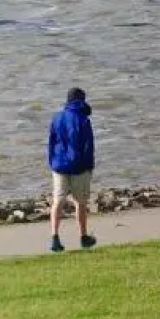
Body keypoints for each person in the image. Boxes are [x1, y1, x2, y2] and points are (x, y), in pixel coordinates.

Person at [48, 87, 96, 252]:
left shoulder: (57, 118)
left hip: (59, 165)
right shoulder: (83, 120)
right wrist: (89, 166)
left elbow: (52, 143)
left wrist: (52, 161)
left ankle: (54, 237)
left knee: (58, 201)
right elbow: (88, 147)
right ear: (82, 100)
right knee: (80, 202)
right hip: (79, 167)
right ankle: (83, 237)